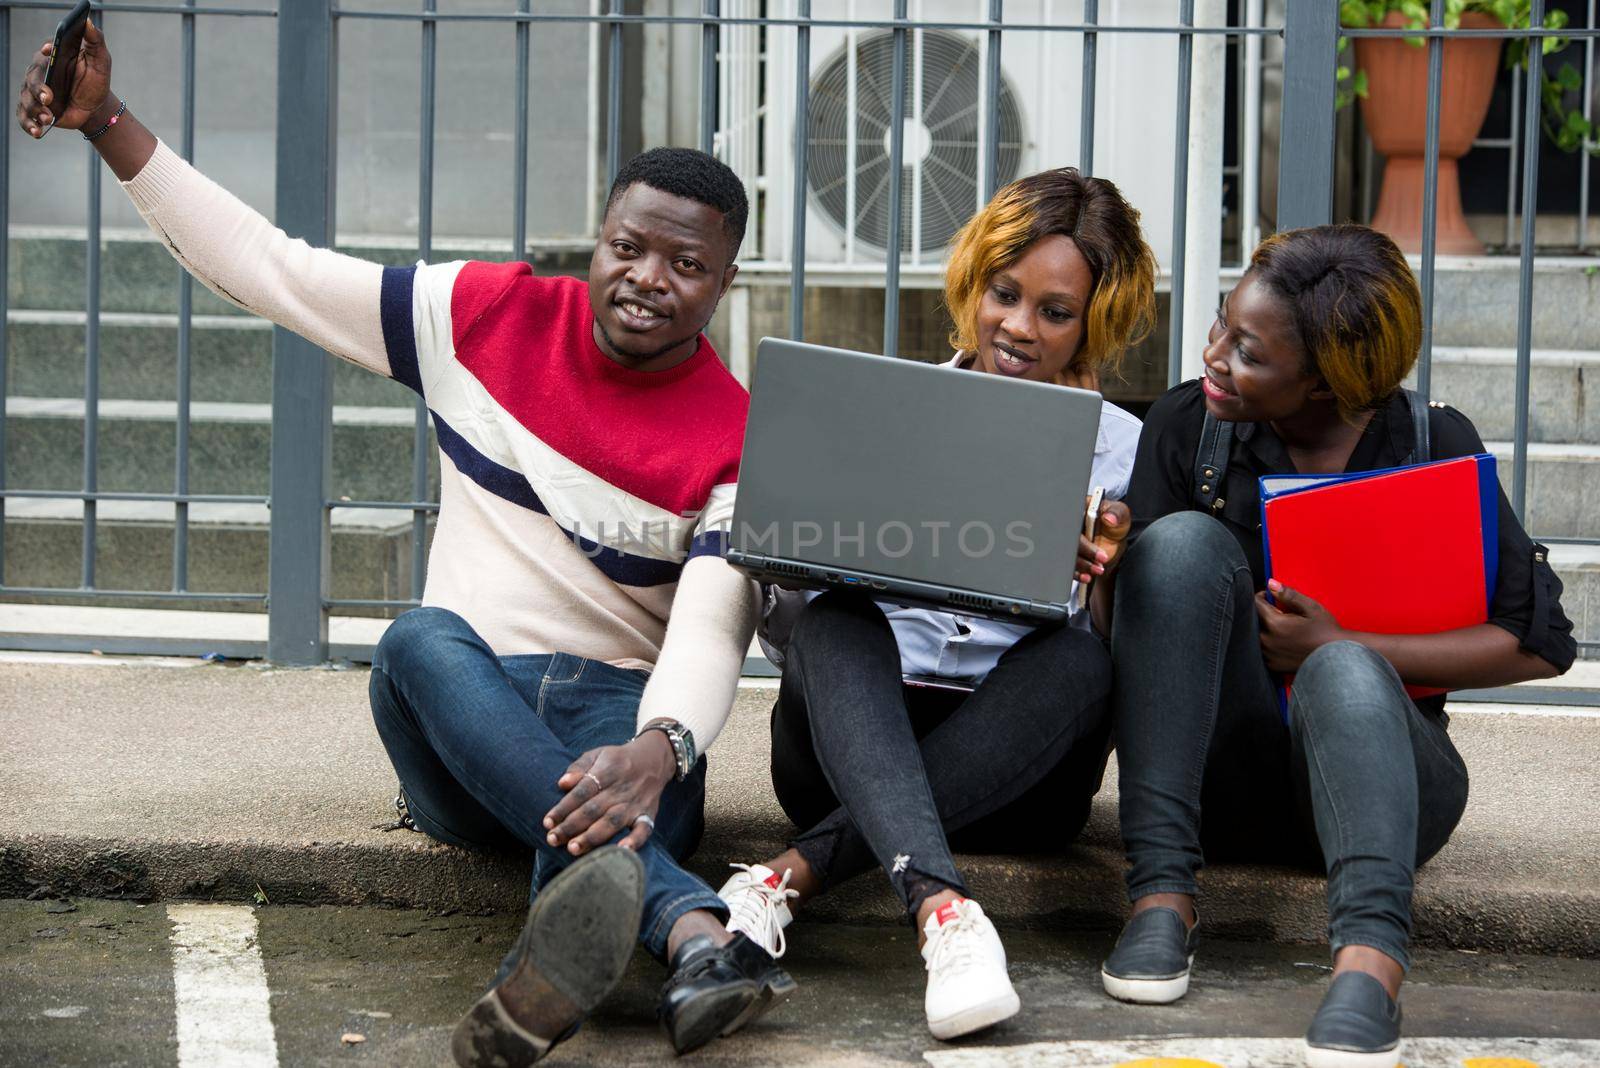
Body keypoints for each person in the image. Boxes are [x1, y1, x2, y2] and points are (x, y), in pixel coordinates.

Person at [17, 22, 793, 1066]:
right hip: (464, 727)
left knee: (586, 803)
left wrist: (660, 752)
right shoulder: (481, 316)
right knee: (419, 638)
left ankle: (559, 988)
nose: (648, 277)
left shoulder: (739, 434)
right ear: (597, 235)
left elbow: (709, 627)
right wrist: (106, 122)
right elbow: (271, 268)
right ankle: (698, 935)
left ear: (724, 283)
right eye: (628, 246)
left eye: (686, 264)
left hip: (633, 731)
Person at [1101, 224, 1576, 1068]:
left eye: (1248, 353)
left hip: (1387, 784)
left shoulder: (1432, 444)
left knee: (1345, 668)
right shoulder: (1188, 426)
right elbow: (1132, 643)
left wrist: (1343, 642)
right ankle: (1161, 902)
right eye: (1221, 326)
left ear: (1324, 381)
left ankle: (1369, 964)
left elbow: (1537, 642)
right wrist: (1108, 573)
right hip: (1224, 778)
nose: (1214, 356)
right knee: (1173, 547)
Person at [720, 169, 1158, 1040]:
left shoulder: (1128, 455)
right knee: (840, 620)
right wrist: (831, 541)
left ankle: (789, 880)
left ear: (1095, 320)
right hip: (850, 738)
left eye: (1055, 311)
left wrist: (1097, 579)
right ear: (976, 283)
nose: (1019, 328)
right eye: (1005, 293)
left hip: (1020, 768)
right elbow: (787, 625)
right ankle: (944, 910)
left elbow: (1119, 673)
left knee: (1080, 660)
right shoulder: (884, 415)